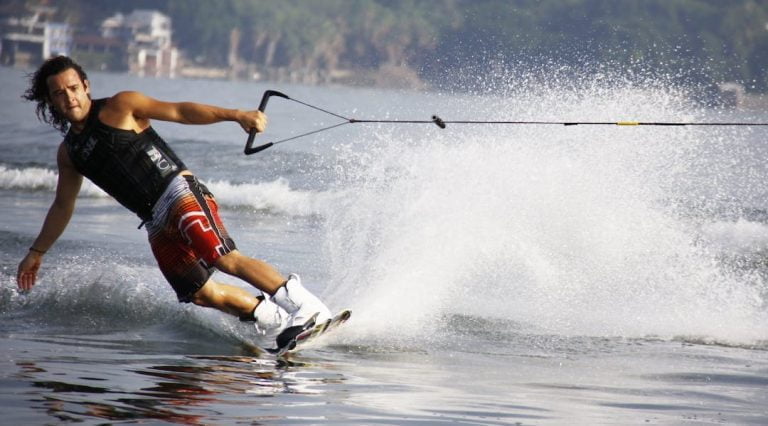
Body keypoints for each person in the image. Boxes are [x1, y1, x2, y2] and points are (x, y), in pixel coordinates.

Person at [16, 55, 331, 352]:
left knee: (222, 257)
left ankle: (306, 306)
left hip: (178, 191)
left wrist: (236, 116)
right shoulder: (70, 153)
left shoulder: (121, 106)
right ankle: (275, 321)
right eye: (59, 94)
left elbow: (181, 112)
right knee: (200, 293)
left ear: (86, 86)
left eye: (73, 88)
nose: (69, 97)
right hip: (154, 221)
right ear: (51, 102)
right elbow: (62, 206)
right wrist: (37, 252)